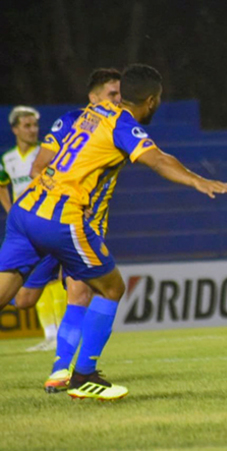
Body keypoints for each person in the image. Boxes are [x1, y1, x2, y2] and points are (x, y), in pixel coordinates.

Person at [0, 64, 227, 400]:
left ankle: (66, 369)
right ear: (151, 101)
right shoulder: (122, 123)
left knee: (10, 295)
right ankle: (83, 376)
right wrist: (197, 179)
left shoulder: (92, 113)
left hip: (26, 210)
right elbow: (157, 159)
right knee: (111, 288)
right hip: (62, 217)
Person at [12, 68, 123, 392]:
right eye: (111, 94)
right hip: (55, 218)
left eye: (120, 94)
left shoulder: (119, 126)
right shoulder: (70, 122)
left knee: (80, 293)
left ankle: (62, 371)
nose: (117, 100)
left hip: (87, 226)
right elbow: (38, 167)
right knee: (24, 301)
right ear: (93, 97)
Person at [0, 106, 67, 352]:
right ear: (15, 129)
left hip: (46, 221)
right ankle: (49, 334)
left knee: (52, 278)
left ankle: (60, 333)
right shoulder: (7, 158)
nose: (33, 130)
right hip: (22, 227)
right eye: (27, 126)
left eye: (35, 125)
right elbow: (2, 184)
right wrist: (10, 209)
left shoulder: (46, 153)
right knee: (32, 280)